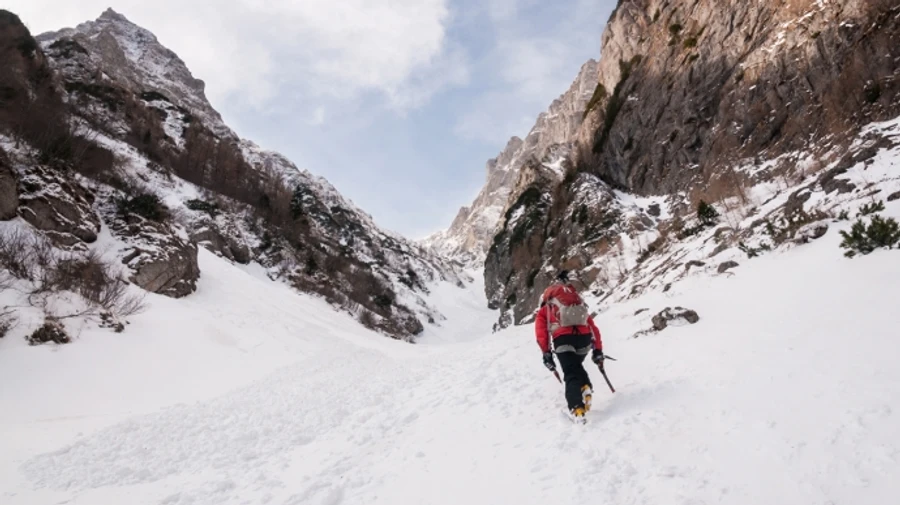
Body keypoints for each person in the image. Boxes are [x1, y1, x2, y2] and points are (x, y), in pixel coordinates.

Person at [535, 269, 605, 422]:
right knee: (574, 365)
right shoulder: (576, 304)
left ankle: (577, 408)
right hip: (585, 341)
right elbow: (593, 328)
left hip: (563, 340)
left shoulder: (546, 309)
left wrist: (546, 353)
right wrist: (598, 350)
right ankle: (585, 386)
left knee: (570, 372)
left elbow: (542, 334)